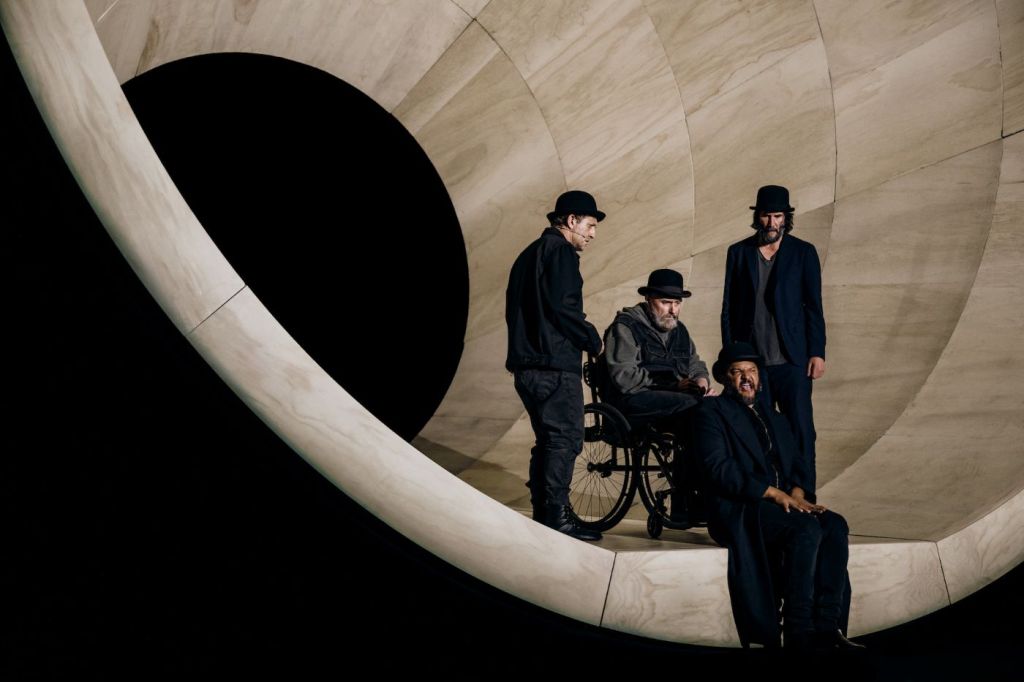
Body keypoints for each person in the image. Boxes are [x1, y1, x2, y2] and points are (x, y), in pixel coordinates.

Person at [695, 342, 861, 650]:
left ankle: (827, 626)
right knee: (806, 528)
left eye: (752, 371)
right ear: (725, 378)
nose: (747, 377)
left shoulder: (772, 415)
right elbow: (719, 469)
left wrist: (797, 493)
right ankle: (798, 630)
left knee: (835, 524)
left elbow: (797, 463)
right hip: (742, 507)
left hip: (781, 502)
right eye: (738, 371)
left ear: (760, 377)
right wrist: (774, 494)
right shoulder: (712, 412)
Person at [505, 190, 605, 541]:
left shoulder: (528, 254)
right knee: (564, 438)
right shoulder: (561, 253)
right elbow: (564, 309)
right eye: (590, 225)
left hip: (526, 365)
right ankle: (558, 515)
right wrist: (592, 339)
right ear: (571, 220)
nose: (592, 234)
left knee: (548, 440)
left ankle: (544, 513)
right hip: (553, 364)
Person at [721, 185, 826, 496]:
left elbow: (813, 305)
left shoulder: (803, 253)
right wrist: (731, 355)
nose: (771, 223)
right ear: (757, 217)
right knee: (758, 433)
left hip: (793, 360)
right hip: (753, 365)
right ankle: (769, 498)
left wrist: (817, 352)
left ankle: (804, 496)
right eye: (766, 216)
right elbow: (728, 307)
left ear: (786, 218)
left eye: (777, 216)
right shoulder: (739, 252)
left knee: (801, 431)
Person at [602, 269, 715, 523]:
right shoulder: (626, 327)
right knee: (694, 408)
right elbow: (624, 378)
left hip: (673, 402)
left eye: (677, 303)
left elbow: (694, 363)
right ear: (649, 299)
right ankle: (688, 500)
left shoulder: (680, 331)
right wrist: (676, 386)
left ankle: (693, 497)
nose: (673, 310)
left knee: (713, 409)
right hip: (631, 403)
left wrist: (701, 381)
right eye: (666, 303)